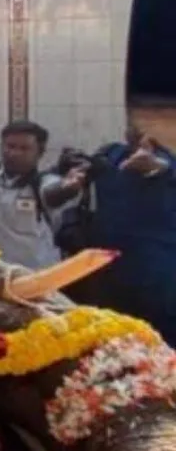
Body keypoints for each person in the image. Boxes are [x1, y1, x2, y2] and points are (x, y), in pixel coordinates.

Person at [59, 124, 176, 343]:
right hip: (109, 272)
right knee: (115, 343)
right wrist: (73, 167)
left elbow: (162, 168)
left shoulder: (168, 162)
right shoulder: (110, 154)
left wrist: (154, 167)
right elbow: (73, 174)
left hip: (159, 277)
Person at [0, 121, 82, 270]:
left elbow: (56, 193)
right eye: (10, 146)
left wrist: (72, 185)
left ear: (40, 152)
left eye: (24, 149)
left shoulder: (43, 183)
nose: (14, 153)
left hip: (33, 278)